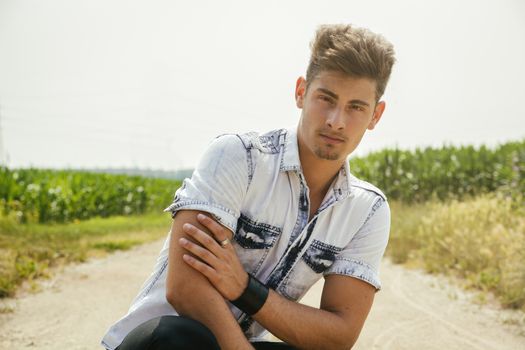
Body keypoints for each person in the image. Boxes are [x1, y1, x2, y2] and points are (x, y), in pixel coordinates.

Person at [102, 23, 396, 350]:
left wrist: (244, 288)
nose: (336, 121)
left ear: (376, 115)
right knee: (179, 338)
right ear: (301, 92)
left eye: (356, 107)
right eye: (325, 99)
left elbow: (339, 334)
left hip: (242, 342)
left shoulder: (367, 210)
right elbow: (184, 289)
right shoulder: (239, 157)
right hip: (166, 342)